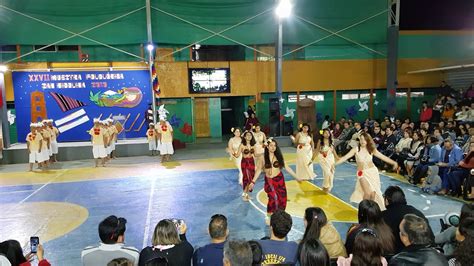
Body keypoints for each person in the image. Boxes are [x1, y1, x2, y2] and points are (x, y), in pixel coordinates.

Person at [335, 133, 398, 210]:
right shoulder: (356, 149)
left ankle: (370, 212)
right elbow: (344, 157)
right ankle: (363, 212)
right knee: (367, 193)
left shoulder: (371, 149)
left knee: (373, 194)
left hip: (372, 172)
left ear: (368, 140)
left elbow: (383, 157)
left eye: (364, 139)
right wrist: (334, 164)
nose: (362, 141)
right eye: (361, 139)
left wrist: (393, 162)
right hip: (361, 173)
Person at [249, 139, 300, 224]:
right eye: (271, 145)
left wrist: (296, 177)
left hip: (279, 179)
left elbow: (287, 167)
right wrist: (253, 182)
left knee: (282, 199)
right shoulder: (262, 157)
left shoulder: (279, 156)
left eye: (275, 145)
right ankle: (268, 215)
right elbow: (258, 171)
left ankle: (280, 216)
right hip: (269, 181)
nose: (273, 147)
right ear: (267, 147)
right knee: (273, 198)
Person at [381, 186, 432, 253]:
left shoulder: (383, 216)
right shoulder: (417, 213)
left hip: (396, 255)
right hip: (427, 252)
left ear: (387, 200)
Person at [236, 131, 256, 201]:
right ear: (244, 137)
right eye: (247, 135)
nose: (249, 136)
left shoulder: (253, 145)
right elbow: (237, 155)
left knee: (251, 179)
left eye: (250, 135)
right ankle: (244, 194)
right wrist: (231, 151)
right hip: (245, 163)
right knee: (246, 179)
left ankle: (247, 195)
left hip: (252, 162)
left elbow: (256, 155)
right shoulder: (242, 145)